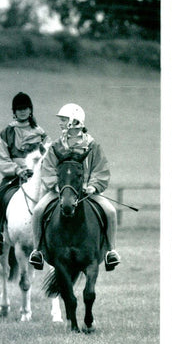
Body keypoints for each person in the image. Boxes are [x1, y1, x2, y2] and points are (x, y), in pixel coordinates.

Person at [29, 103, 120, 271]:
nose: (60, 123)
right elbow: (47, 168)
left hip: (87, 192)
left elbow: (101, 169)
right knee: (38, 211)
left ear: (74, 122)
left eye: (63, 120)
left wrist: (93, 186)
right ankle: (38, 251)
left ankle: (111, 251)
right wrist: (55, 186)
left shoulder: (92, 146)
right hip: (61, 192)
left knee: (111, 211)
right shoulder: (56, 146)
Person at [0, 92, 48, 254]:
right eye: (19, 109)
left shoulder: (41, 133)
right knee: (0, 195)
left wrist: (37, 170)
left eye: (25, 108)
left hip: (37, 178)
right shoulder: (7, 133)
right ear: (14, 111)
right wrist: (18, 170)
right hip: (15, 176)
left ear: (31, 110)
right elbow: (0, 157)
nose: (22, 111)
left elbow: (49, 154)